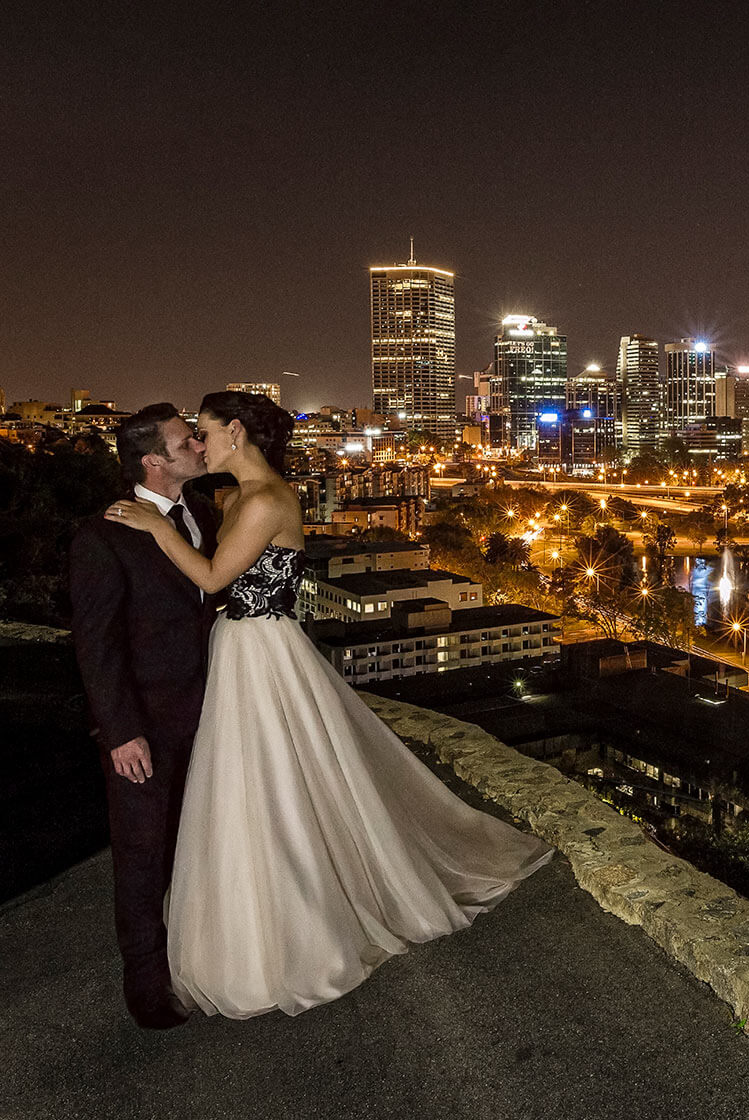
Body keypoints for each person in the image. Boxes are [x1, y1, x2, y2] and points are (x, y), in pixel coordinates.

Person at [105, 391, 551, 1018]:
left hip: (262, 650)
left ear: (235, 431)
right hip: (236, 649)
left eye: (203, 433)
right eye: (192, 439)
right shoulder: (226, 499)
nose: (199, 446)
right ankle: (256, 912)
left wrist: (154, 527)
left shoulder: (266, 500)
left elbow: (211, 579)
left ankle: (301, 920)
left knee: (280, 777)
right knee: (248, 781)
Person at [69, 403, 218, 1029]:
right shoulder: (102, 536)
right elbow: (97, 645)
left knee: (195, 845)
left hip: (211, 715)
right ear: (155, 461)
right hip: (146, 728)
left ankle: (196, 959)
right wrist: (122, 732)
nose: (200, 449)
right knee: (140, 855)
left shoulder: (204, 515)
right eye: (188, 442)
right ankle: (147, 988)